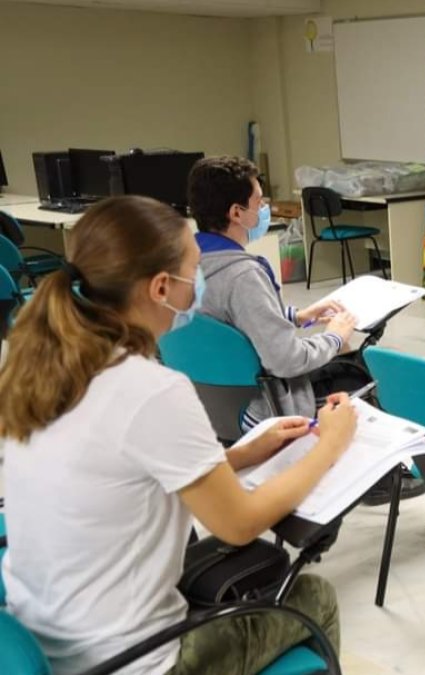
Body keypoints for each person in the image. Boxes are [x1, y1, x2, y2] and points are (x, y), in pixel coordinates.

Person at [0, 196, 357, 675]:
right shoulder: (150, 390)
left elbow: (117, 470)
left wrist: (244, 453)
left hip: (48, 638)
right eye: (196, 269)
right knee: (313, 597)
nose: (201, 282)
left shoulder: (33, 365)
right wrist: (330, 445)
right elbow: (240, 523)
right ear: (162, 287)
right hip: (134, 661)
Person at [187, 156, 425, 501]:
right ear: (236, 213)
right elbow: (287, 361)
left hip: (213, 407)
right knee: (359, 369)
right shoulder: (242, 275)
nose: (264, 208)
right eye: (259, 201)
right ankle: (378, 480)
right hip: (263, 410)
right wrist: (335, 335)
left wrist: (296, 316)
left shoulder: (186, 261)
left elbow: (227, 324)